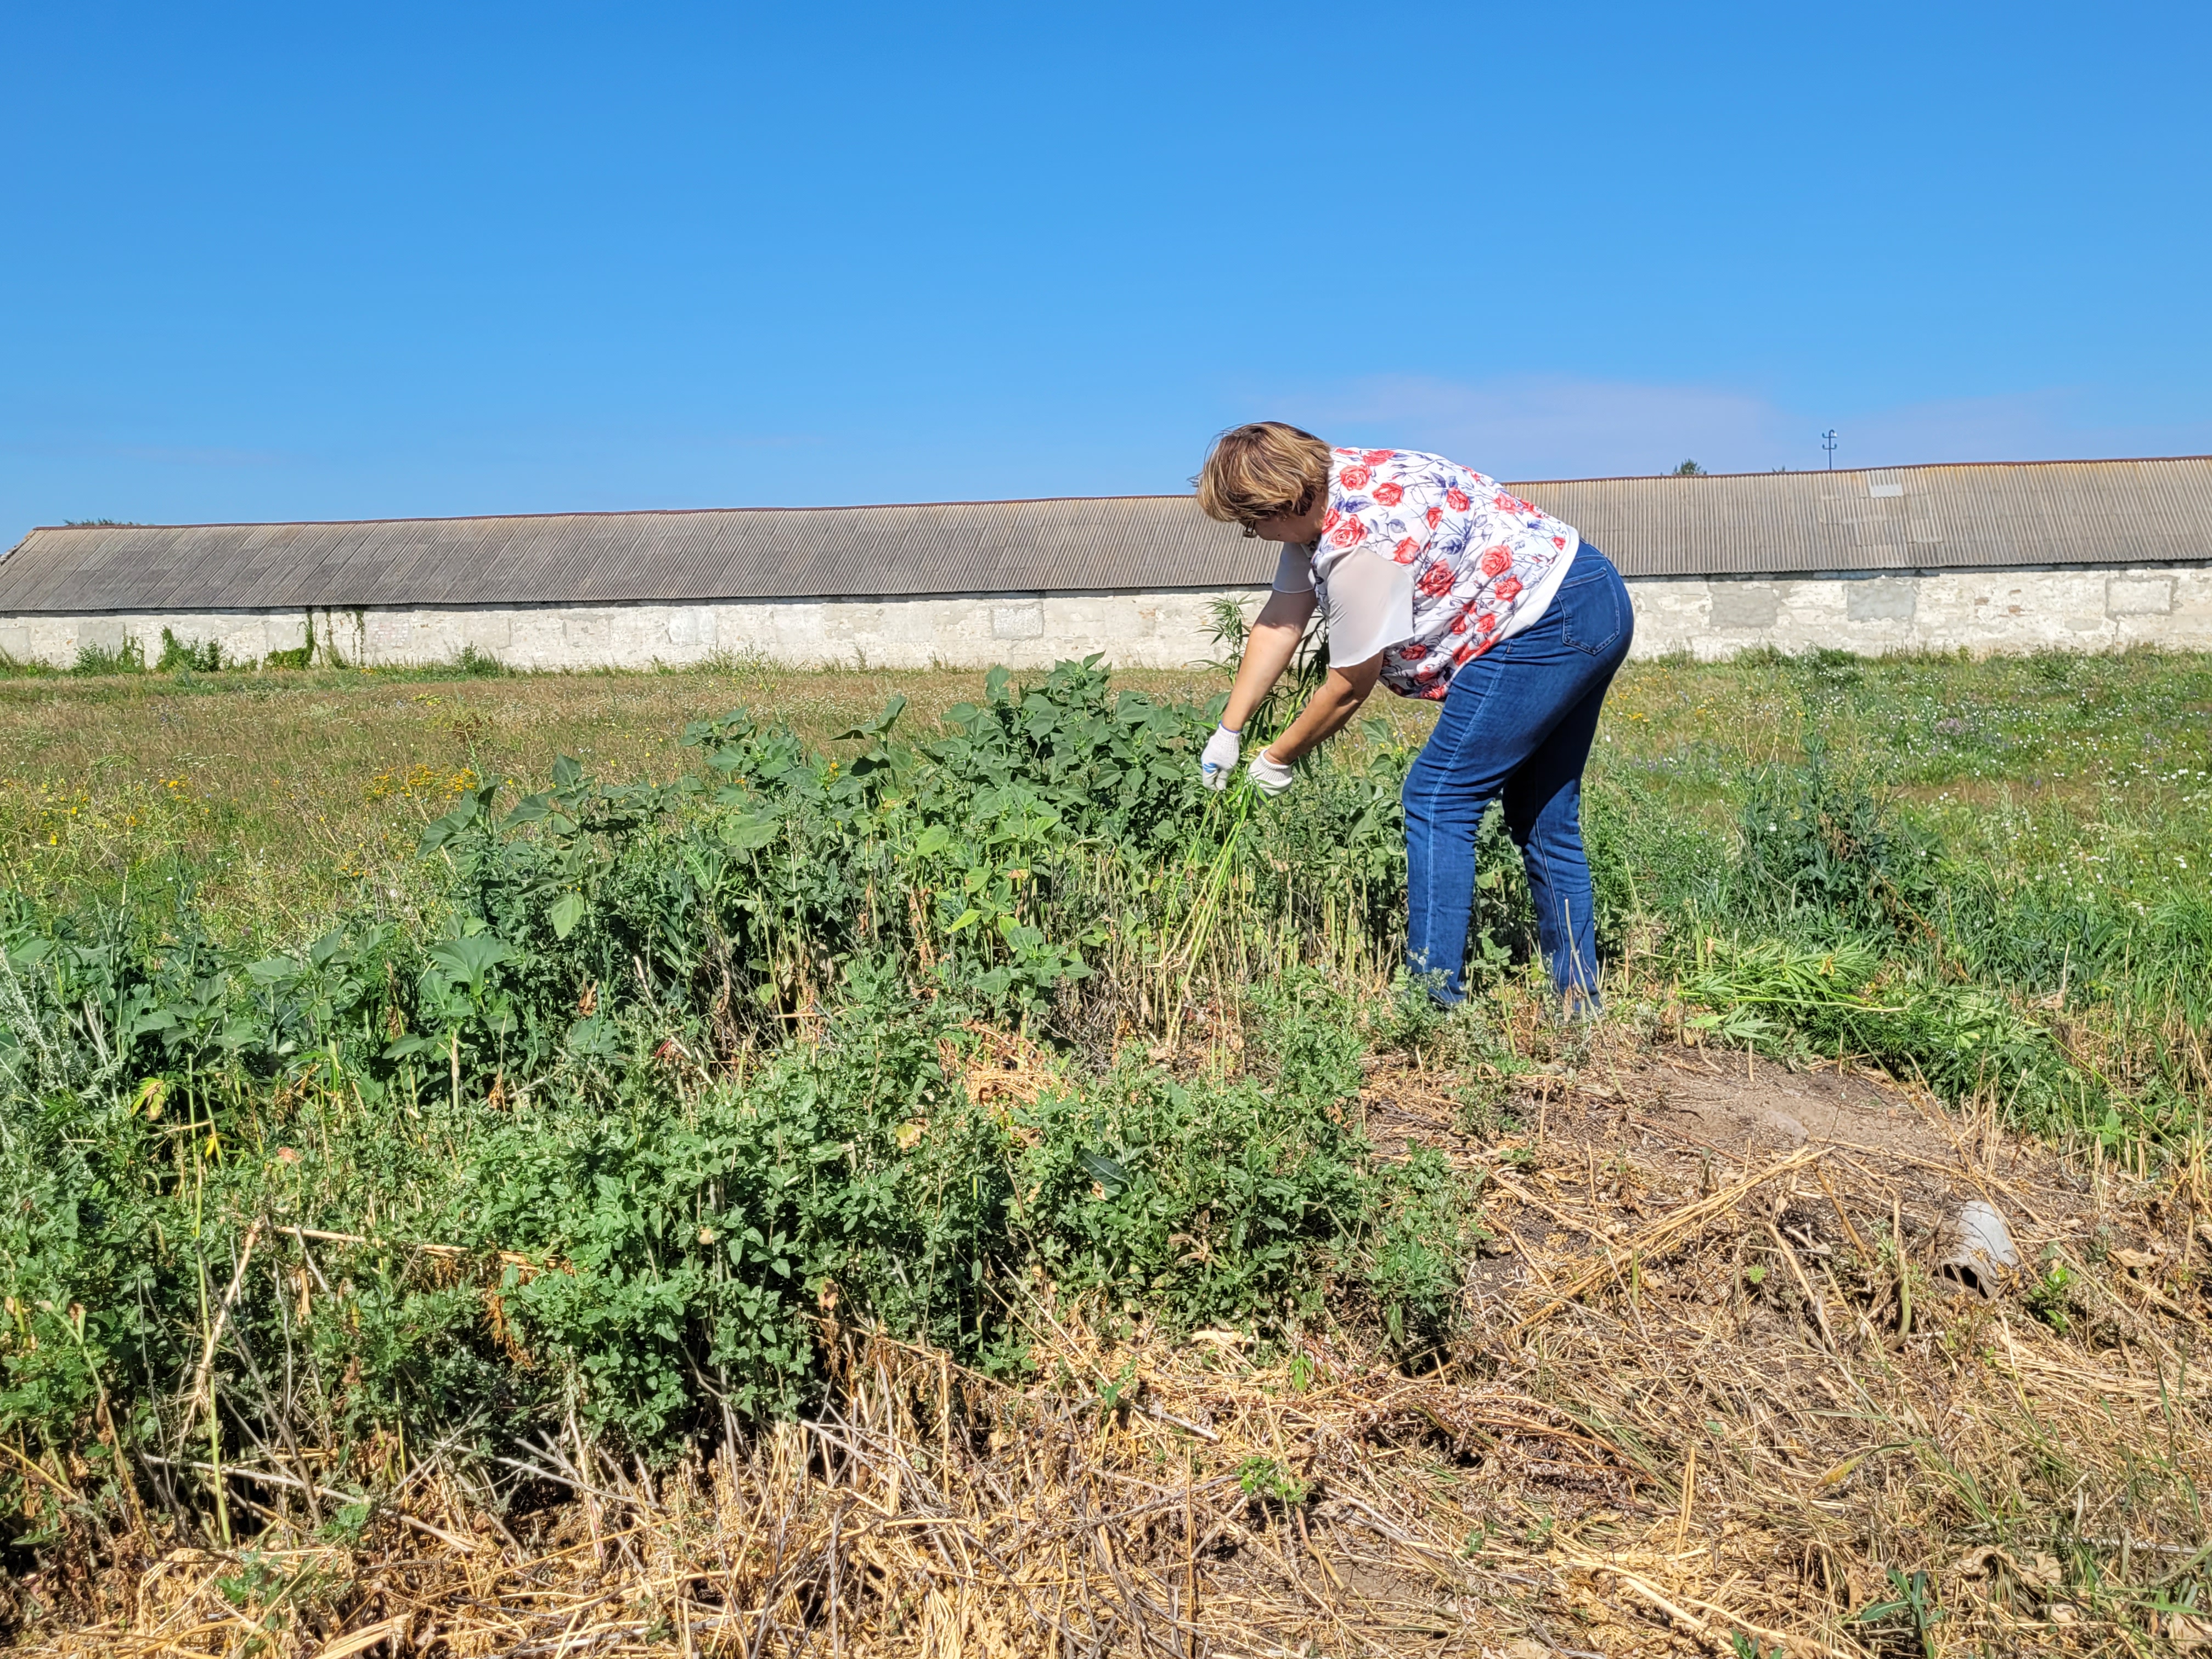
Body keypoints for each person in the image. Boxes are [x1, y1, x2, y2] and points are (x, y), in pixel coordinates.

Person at [1193, 421, 1633, 1010]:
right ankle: (1581, 1004)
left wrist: (1276, 758)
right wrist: (1230, 729)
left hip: (1541, 625)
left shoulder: (1358, 543)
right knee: (1540, 812)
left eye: (1253, 523)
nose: (1254, 534)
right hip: (1589, 592)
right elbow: (1282, 618)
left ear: (1283, 502)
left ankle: (1430, 1003)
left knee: (1437, 797)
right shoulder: (1332, 480)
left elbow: (1350, 683)